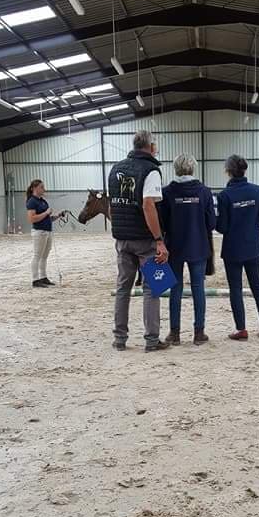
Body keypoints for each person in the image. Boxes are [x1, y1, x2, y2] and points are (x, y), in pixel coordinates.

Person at [108, 130, 169, 352]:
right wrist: (159, 240)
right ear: (150, 146)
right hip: (145, 240)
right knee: (153, 288)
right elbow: (148, 205)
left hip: (122, 239)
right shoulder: (151, 170)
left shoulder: (115, 169)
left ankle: (119, 339)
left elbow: (112, 205)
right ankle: (152, 340)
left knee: (123, 288)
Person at [161, 154, 216, 347]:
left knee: (175, 289)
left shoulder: (167, 192)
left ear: (175, 169)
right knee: (198, 289)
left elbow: (163, 222)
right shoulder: (205, 192)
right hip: (198, 246)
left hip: (174, 247)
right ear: (194, 168)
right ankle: (198, 332)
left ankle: (174, 333)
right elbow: (211, 222)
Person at [216, 155, 259, 341]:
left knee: (236, 289)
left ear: (228, 171)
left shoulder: (224, 195)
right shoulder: (257, 191)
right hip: (253, 247)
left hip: (233, 250)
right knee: (258, 286)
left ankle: (241, 329)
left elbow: (222, 227)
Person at [25, 179, 65, 287]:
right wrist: (46, 212)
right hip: (39, 232)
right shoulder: (32, 202)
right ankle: (35, 279)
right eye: (41, 187)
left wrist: (58, 215)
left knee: (44, 256)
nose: (44, 189)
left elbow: (47, 218)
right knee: (37, 255)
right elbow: (32, 219)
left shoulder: (42, 201)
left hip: (47, 231)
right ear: (34, 188)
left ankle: (43, 277)